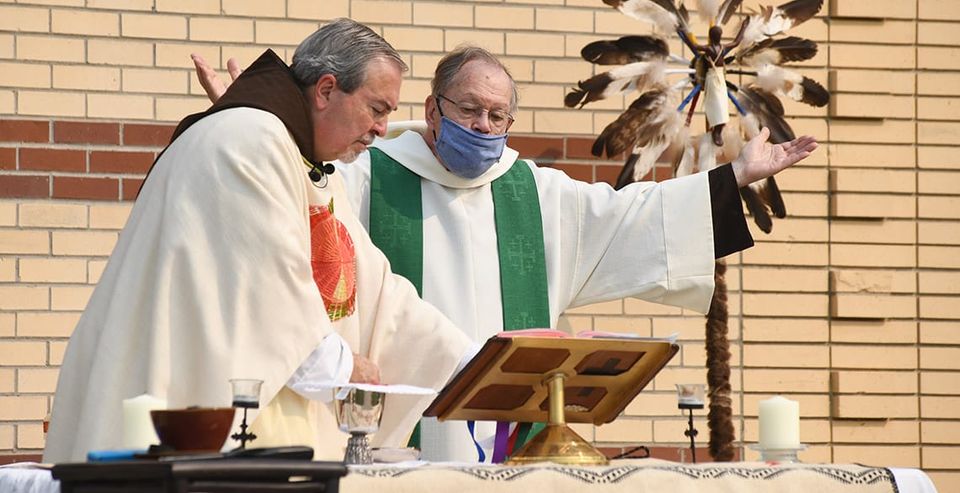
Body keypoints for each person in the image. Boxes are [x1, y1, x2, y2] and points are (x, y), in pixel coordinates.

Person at [194, 45, 817, 462]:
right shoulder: (365, 177)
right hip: (398, 439)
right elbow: (292, 208)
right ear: (433, 112)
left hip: (511, 445)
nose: (486, 128)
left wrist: (729, 178)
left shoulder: (534, 192)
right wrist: (253, 124)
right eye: (470, 111)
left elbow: (632, 217)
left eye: (500, 116)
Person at [43, 19, 472, 464]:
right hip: (185, 408)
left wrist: (472, 361)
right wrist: (345, 368)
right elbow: (270, 299)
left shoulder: (301, 159)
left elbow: (375, 285)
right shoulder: (249, 143)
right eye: (377, 109)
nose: (383, 128)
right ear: (326, 90)